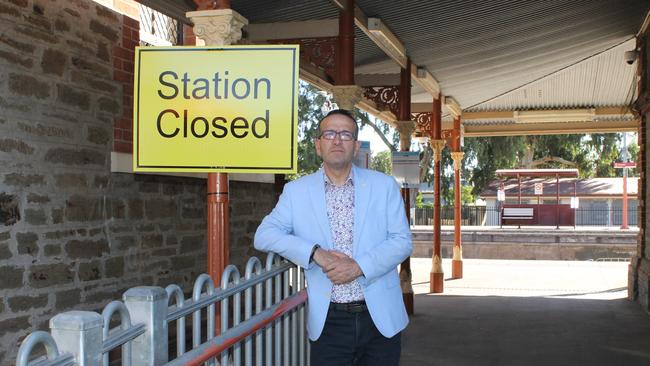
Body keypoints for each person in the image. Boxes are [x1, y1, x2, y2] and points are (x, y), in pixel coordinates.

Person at [254, 109, 412, 365]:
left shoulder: (384, 186)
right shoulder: (296, 192)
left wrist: (358, 267)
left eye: (345, 134)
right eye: (329, 133)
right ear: (318, 145)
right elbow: (264, 235)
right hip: (329, 321)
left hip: (380, 320)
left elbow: (402, 241)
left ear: (356, 145)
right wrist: (316, 253)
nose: (337, 140)